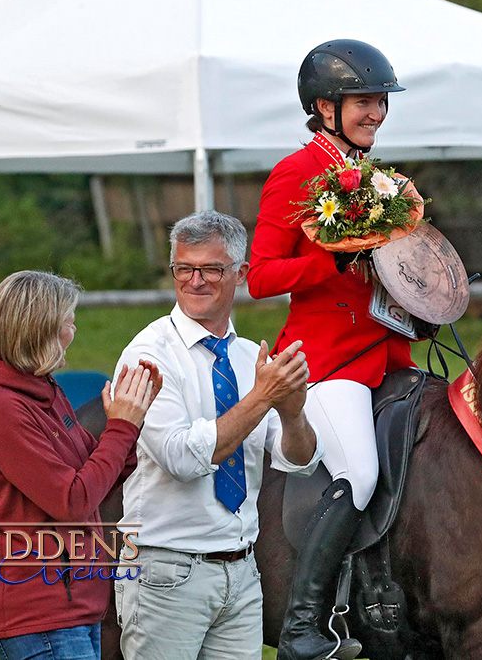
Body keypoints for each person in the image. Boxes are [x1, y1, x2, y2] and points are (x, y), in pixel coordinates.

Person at [247, 39, 414, 660]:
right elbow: (260, 276)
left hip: (388, 354)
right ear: (324, 106)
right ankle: (304, 623)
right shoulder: (295, 172)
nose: (377, 112)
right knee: (361, 473)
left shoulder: (378, 178)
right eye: (365, 101)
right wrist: (327, 261)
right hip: (325, 363)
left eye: (381, 102)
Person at [114, 210, 323, 660]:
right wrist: (262, 397)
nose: (195, 281)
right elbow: (182, 460)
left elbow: (299, 461)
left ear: (241, 274)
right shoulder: (148, 354)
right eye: (184, 268)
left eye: (211, 269)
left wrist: (291, 412)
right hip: (164, 570)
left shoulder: (249, 356)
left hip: (242, 570)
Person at [0, 270, 162, 660]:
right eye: (67, 321)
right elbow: (72, 500)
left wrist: (135, 418)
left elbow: (96, 474)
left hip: (76, 607)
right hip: (40, 618)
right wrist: (120, 426)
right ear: (41, 330)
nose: (74, 330)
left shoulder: (45, 391)